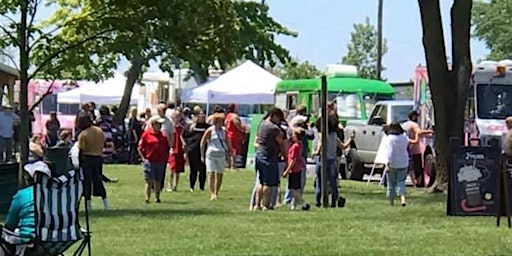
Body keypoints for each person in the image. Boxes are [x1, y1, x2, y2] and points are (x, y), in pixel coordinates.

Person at [0, 161, 54, 256]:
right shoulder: (56, 196)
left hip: (28, 241)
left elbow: (10, 225)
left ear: (29, 178)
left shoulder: (22, 195)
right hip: (53, 240)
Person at [312, 119, 354, 208]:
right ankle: (334, 202)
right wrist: (351, 138)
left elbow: (320, 147)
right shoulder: (334, 135)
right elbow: (343, 146)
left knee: (319, 182)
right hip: (332, 160)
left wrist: (315, 152)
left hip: (322, 160)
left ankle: (318, 201)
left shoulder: (322, 135)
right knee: (333, 183)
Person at [254, 107, 288, 210]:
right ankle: (266, 204)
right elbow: (281, 142)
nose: (279, 120)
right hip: (269, 156)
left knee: (260, 181)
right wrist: (285, 155)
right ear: (273, 116)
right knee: (268, 183)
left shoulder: (262, 124)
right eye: (278, 118)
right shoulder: (274, 128)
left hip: (259, 154)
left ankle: (257, 205)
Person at [77, 115, 109, 211]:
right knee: (98, 180)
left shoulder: (83, 134)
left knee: (87, 182)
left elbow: (81, 150)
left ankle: (88, 205)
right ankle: (105, 203)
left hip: (87, 159)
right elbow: (104, 143)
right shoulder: (99, 131)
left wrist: (79, 162)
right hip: (98, 158)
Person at [138, 116, 170, 204]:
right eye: (158, 124)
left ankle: (157, 197)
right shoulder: (146, 134)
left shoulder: (163, 136)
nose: (159, 126)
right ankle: (147, 198)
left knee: (158, 180)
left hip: (160, 161)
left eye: (160, 125)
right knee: (149, 180)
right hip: (150, 160)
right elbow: (140, 147)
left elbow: (167, 147)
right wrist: (143, 159)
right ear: (153, 125)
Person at [200, 112, 232, 201]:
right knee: (210, 174)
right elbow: (202, 142)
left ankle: (216, 192)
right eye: (222, 120)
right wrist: (202, 155)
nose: (223, 122)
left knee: (219, 174)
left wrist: (230, 152)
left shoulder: (224, 131)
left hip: (221, 154)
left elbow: (227, 142)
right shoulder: (210, 130)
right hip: (211, 154)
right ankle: (212, 193)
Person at [402, 111, 434, 187]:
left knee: (408, 167)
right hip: (415, 149)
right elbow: (419, 132)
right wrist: (430, 131)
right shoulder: (414, 125)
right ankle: (419, 183)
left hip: (405, 148)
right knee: (417, 167)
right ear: (413, 117)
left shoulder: (404, 125)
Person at [282, 128, 311, 211]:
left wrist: (287, 171)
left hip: (293, 170)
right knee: (296, 188)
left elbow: (293, 160)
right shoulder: (300, 144)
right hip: (298, 168)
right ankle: (293, 205)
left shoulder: (295, 147)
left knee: (292, 189)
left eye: (294, 135)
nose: (292, 136)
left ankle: (303, 203)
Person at [383, 122, 410, 206]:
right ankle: (402, 198)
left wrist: (387, 164)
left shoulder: (390, 138)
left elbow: (389, 152)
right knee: (401, 181)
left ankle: (391, 202)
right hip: (403, 162)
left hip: (393, 163)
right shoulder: (404, 137)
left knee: (391, 183)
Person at [182, 110, 209, 192]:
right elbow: (182, 135)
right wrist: (185, 145)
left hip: (203, 150)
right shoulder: (190, 126)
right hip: (192, 150)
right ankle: (192, 186)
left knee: (203, 170)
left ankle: (201, 187)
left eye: (204, 115)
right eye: (201, 115)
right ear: (197, 116)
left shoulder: (207, 127)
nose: (203, 116)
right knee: (193, 170)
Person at [154, 103, 175, 191]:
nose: (164, 112)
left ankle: (160, 185)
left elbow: (172, 134)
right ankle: (152, 185)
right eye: (162, 110)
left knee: (162, 167)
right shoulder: (154, 119)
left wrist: (171, 146)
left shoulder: (169, 121)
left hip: (164, 147)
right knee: (153, 166)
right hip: (154, 147)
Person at [167, 110, 186, 192]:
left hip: (180, 150)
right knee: (172, 168)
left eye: (178, 117)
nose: (176, 118)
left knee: (178, 169)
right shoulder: (170, 128)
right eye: (175, 117)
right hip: (173, 149)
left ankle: (175, 185)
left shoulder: (182, 128)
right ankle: (169, 184)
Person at [225, 104, 246, 171]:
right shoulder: (234, 116)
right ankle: (233, 165)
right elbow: (238, 125)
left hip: (228, 134)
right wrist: (243, 129)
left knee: (229, 150)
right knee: (234, 150)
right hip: (235, 135)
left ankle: (229, 164)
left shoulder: (228, 116)